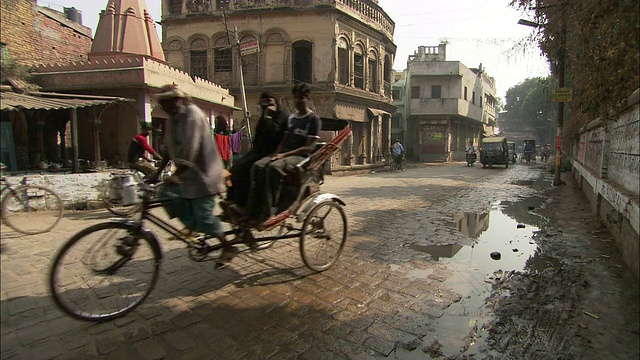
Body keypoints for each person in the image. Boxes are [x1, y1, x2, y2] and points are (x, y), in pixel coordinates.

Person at [153, 84, 236, 268]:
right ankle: (193, 225)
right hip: (187, 173)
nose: (166, 108)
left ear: (179, 100)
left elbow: (190, 150)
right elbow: (169, 148)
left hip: (205, 174)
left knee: (205, 217)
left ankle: (227, 246)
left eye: (169, 103)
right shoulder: (173, 118)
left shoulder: (192, 115)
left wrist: (175, 175)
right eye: (163, 105)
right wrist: (156, 174)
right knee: (165, 194)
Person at [244, 83, 321, 224]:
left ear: (308, 98)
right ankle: (252, 209)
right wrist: (275, 154)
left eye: (301, 98)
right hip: (285, 154)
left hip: (301, 157)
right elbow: (283, 141)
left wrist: (283, 156)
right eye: (295, 98)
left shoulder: (313, 120)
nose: (297, 101)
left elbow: (308, 147)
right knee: (257, 166)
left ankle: (269, 211)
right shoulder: (292, 119)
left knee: (273, 168)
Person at [226, 92, 289, 209]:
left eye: (269, 103)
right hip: (258, 151)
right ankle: (232, 199)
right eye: (263, 105)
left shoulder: (282, 116)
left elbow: (275, 132)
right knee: (235, 168)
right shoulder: (263, 117)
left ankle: (248, 205)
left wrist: (269, 116)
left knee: (253, 169)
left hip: (271, 153)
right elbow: (259, 134)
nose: (266, 107)